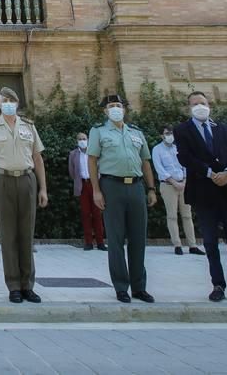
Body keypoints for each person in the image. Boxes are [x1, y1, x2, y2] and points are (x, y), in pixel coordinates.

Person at [174, 92, 227, 304]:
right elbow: (185, 157)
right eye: (195, 104)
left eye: (202, 103)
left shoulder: (221, 128)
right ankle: (218, 284)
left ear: (209, 105)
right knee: (211, 242)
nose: (200, 107)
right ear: (189, 108)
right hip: (204, 192)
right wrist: (209, 173)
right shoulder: (182, 130)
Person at [0, 87, 48, 304]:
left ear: (17, 104)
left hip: (27, 180)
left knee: (26, 235)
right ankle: (13, 286)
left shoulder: (28, 126)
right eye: (4, 100)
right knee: (8, 235)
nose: (8, 103)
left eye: (12, 100)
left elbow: (38, 158)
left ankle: (28, 285)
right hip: (2, 180)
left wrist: (43, 188)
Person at [88, 94, 156, 303]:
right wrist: (96, 190)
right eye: (111, 106)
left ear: (124, 109)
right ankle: (120, 287)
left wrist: (151, 188)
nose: (115, 108)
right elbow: (92, 160)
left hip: (135, 186)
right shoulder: (98, 131)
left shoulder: (136, 132)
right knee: (116, 239)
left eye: (118, 105)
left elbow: (145, 161)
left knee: (138, 238)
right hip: (111, 185)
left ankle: (139, 287)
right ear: (105, 111)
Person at [151, 126, 203, 256]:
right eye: (167, 133)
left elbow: (186, 165)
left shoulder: (178, 147)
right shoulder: (157, 150)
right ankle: (177, 244)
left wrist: (184, 181)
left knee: (187, 215)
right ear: (161, 136)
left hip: (184, 184)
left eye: (171, 133)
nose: (170, 135)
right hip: (168, 185)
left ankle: (192, 245)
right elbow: (159, 168)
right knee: (172, 215)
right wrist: (174, 182)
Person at [68, 131, 105, 251]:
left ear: (88, 139)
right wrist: (79, 182)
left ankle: (100, 242)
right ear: (76, 141)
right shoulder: (73, 154)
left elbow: (101, 167)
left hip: (95, 185)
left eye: (84, 138)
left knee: (97, 214)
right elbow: (72, 171)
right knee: (85, 214)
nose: (82, 141)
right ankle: (88, 242)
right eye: (79, 139)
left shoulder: (94, 153)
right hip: (83, 185)